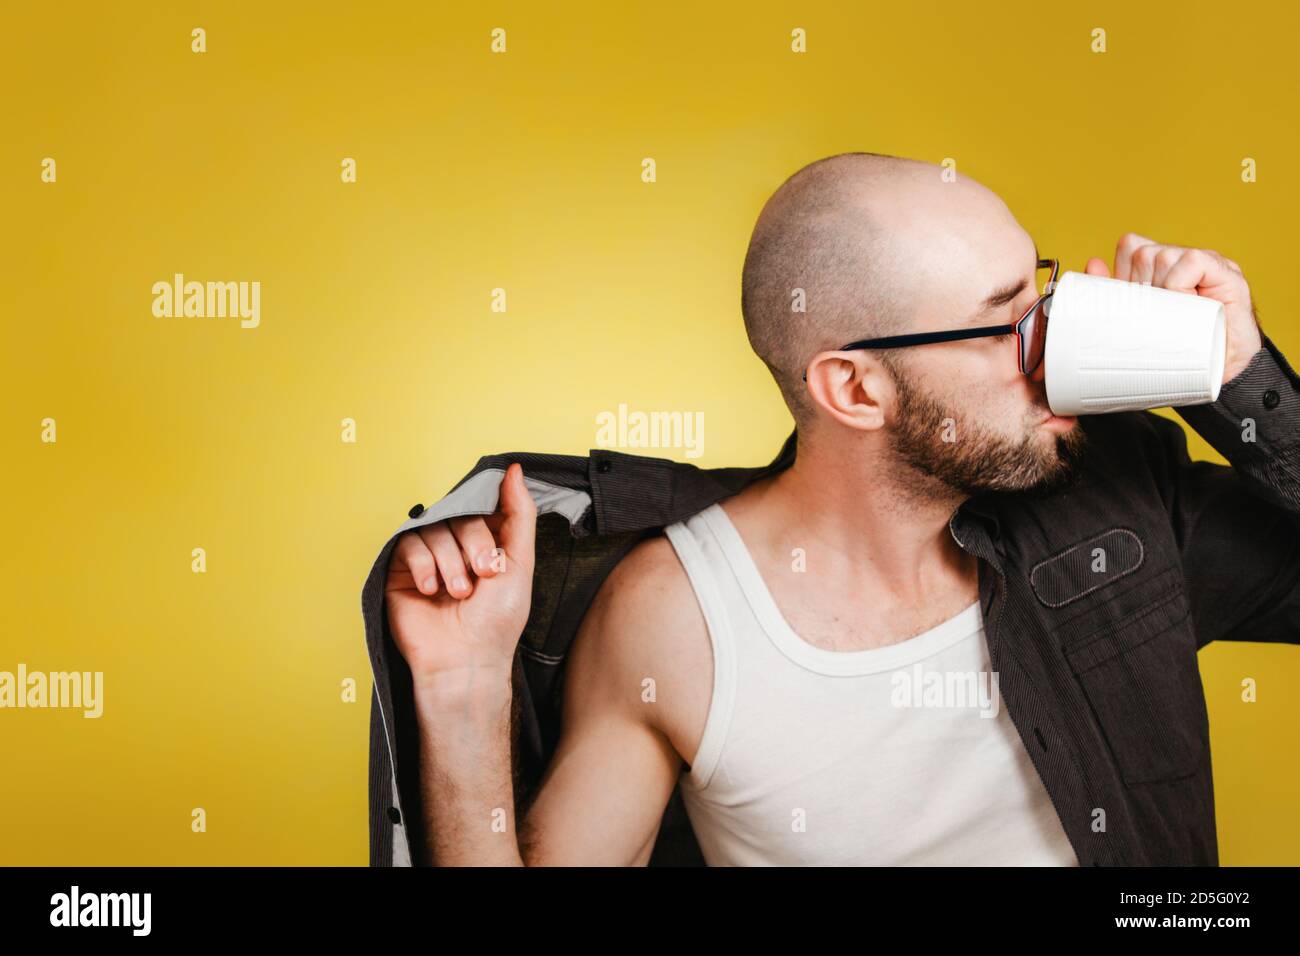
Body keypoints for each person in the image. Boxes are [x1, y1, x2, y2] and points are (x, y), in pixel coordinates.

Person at [381, 152, 1280, 865]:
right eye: (1009, 323)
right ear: (853, 388)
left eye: (1040, 291)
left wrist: (1239, 378)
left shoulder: (1113, 506)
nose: (1059, 345)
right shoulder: (678, 620)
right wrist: (462, 700)